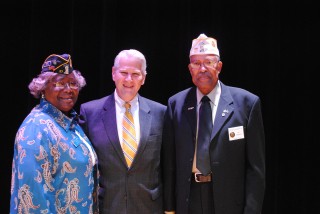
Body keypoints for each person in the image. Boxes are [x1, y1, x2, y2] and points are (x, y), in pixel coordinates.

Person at [162, 33, 265, 214]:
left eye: (208, 62)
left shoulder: (247, 103)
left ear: (219, 66)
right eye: (196, 63)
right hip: (188, 199)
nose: (202, 68)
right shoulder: (175, 104)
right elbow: (170, 162)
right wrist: (169, 208)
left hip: (229, 201)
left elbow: (255, 169)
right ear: (189, 68)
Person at [79, 49, 166, 213]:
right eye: (124, 72)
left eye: (135, 74)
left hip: (149, 207)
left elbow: (167, 165)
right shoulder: (90, 113)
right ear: (113, 73)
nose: (128, 79)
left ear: (144, 78)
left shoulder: (160, 113)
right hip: (106, 207)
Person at [10, 54, 99, 214]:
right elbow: (33, 199)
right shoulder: (36, 128)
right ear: (43, 88)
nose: (68, 89)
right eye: (59, 83)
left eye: (73, 83)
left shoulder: (70, 122)